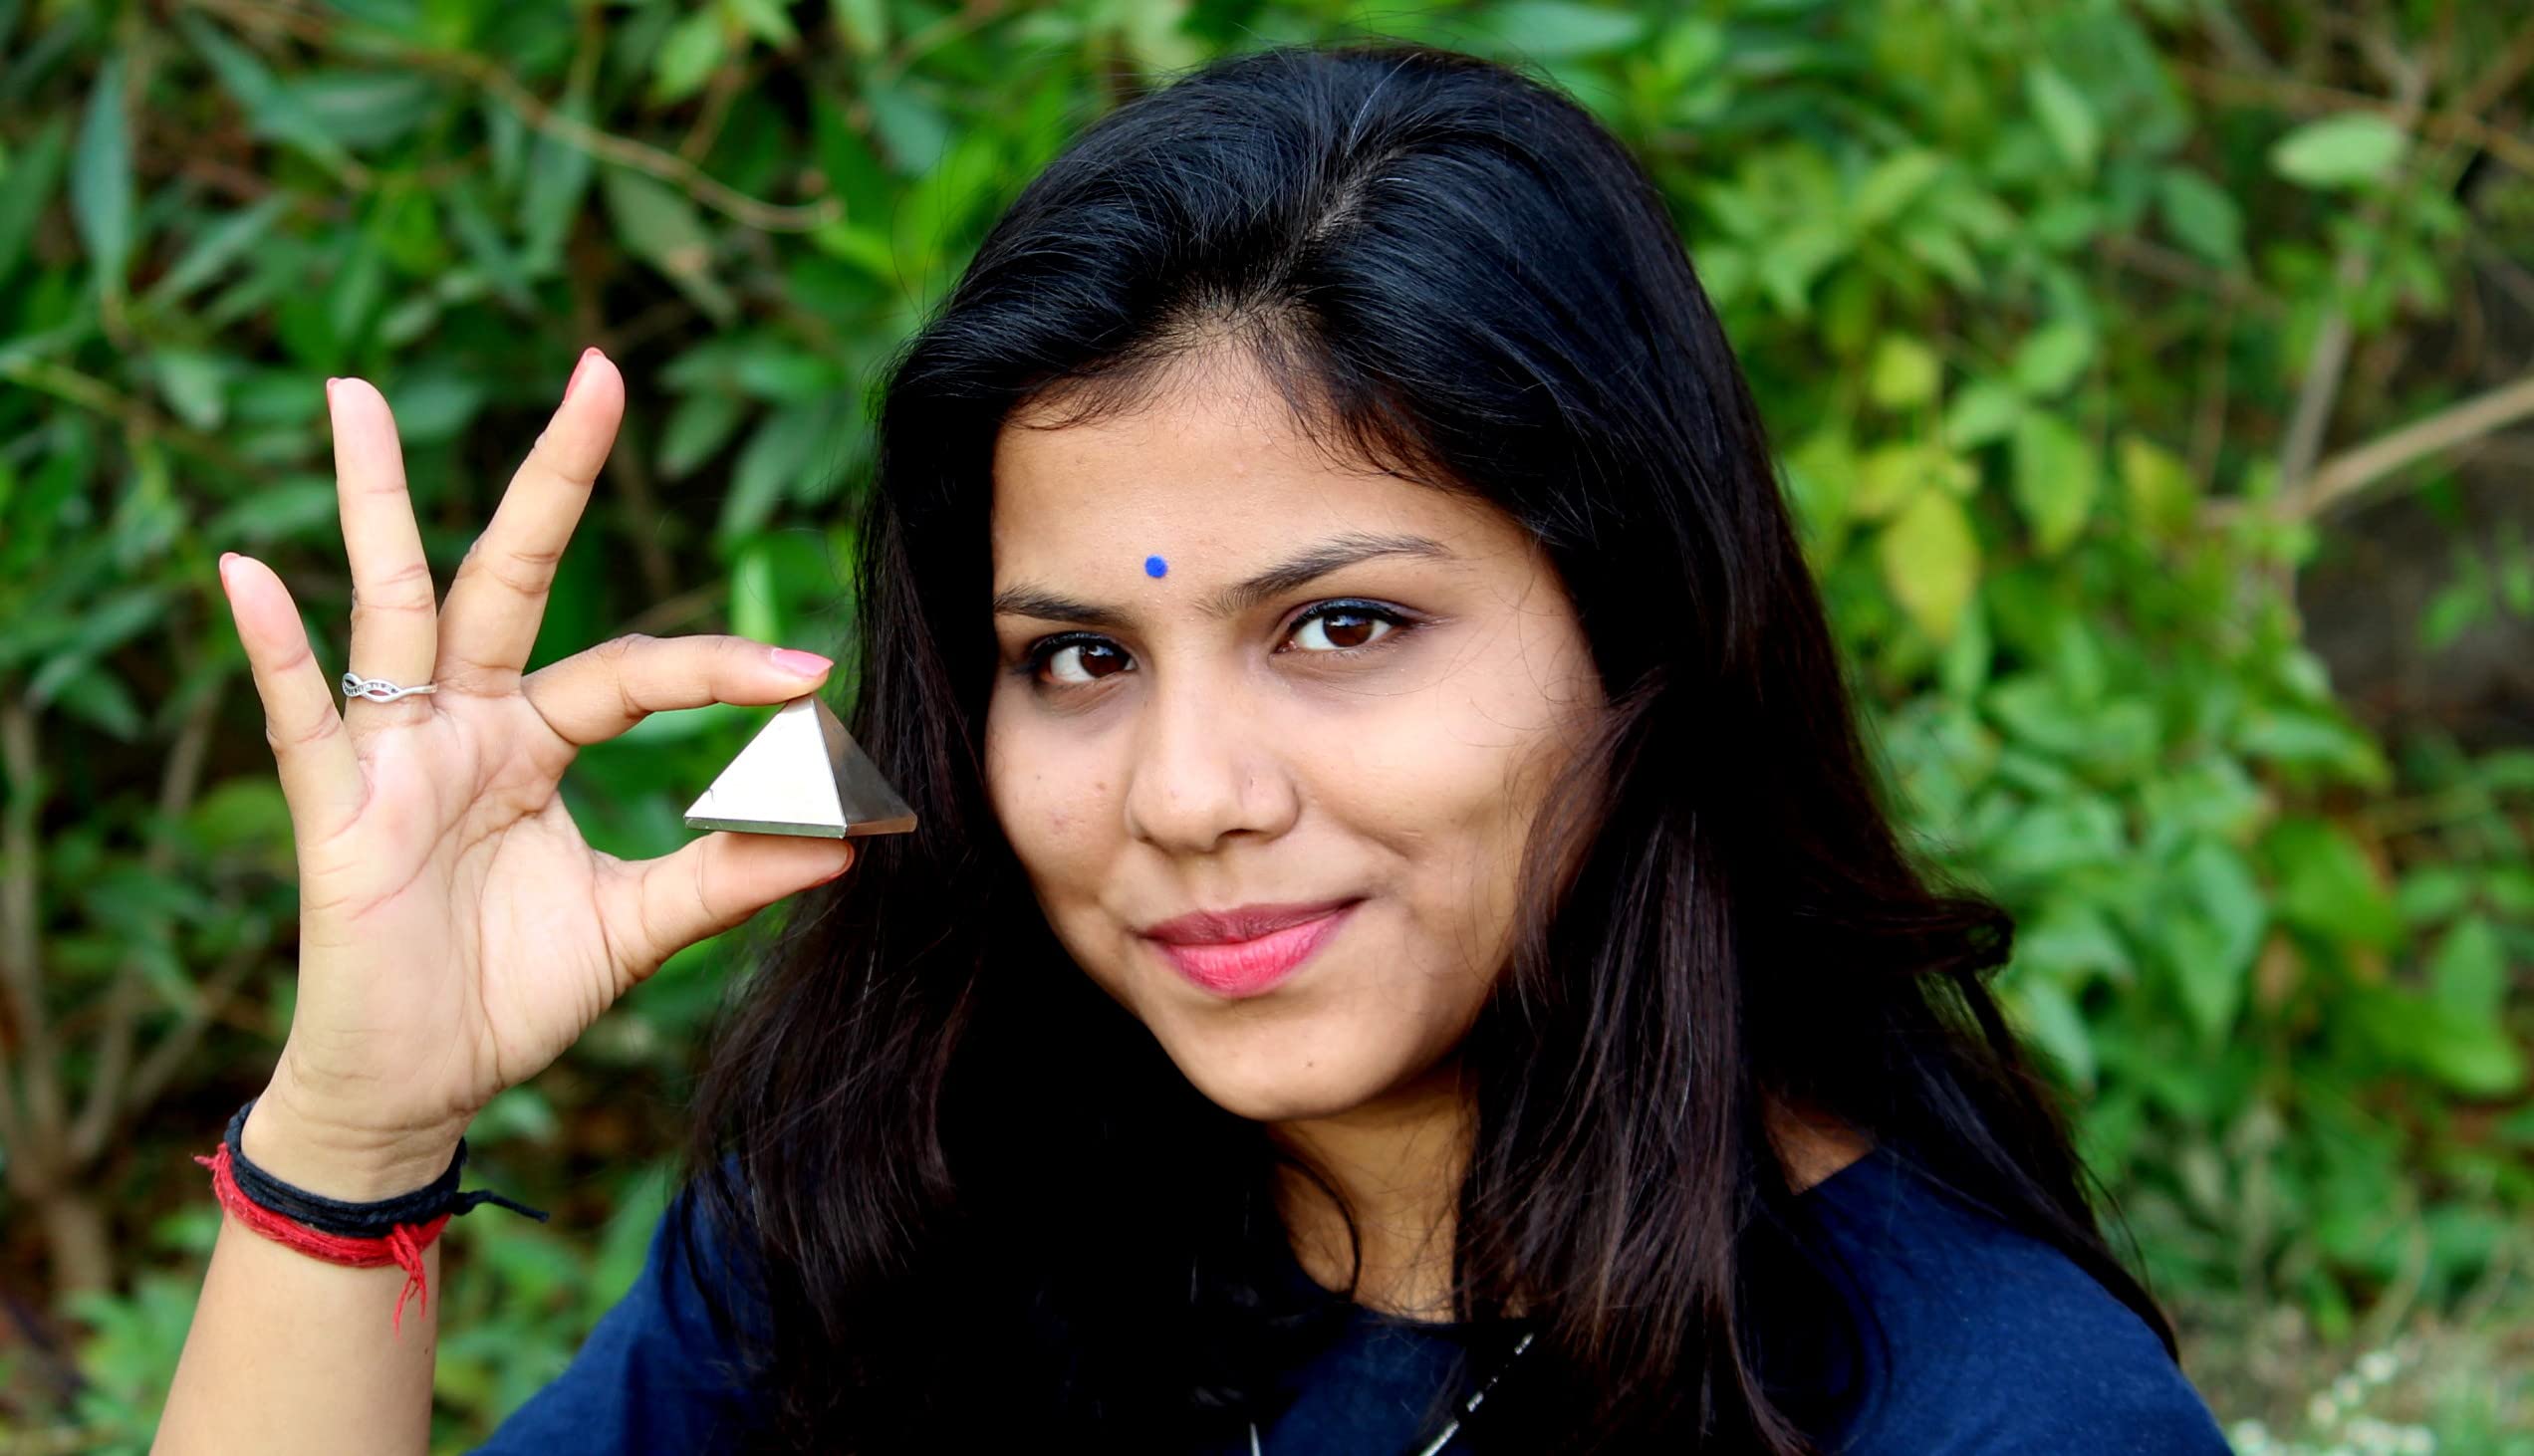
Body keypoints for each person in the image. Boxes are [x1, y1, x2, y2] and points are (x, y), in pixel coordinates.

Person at [155, 39, 2235, 1456]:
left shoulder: (1973, 1406)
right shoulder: (898, 1217)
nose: (1186, 794)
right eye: (1078, 655)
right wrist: (358, 1124)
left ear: (1650, 634)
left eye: (1341, 627)